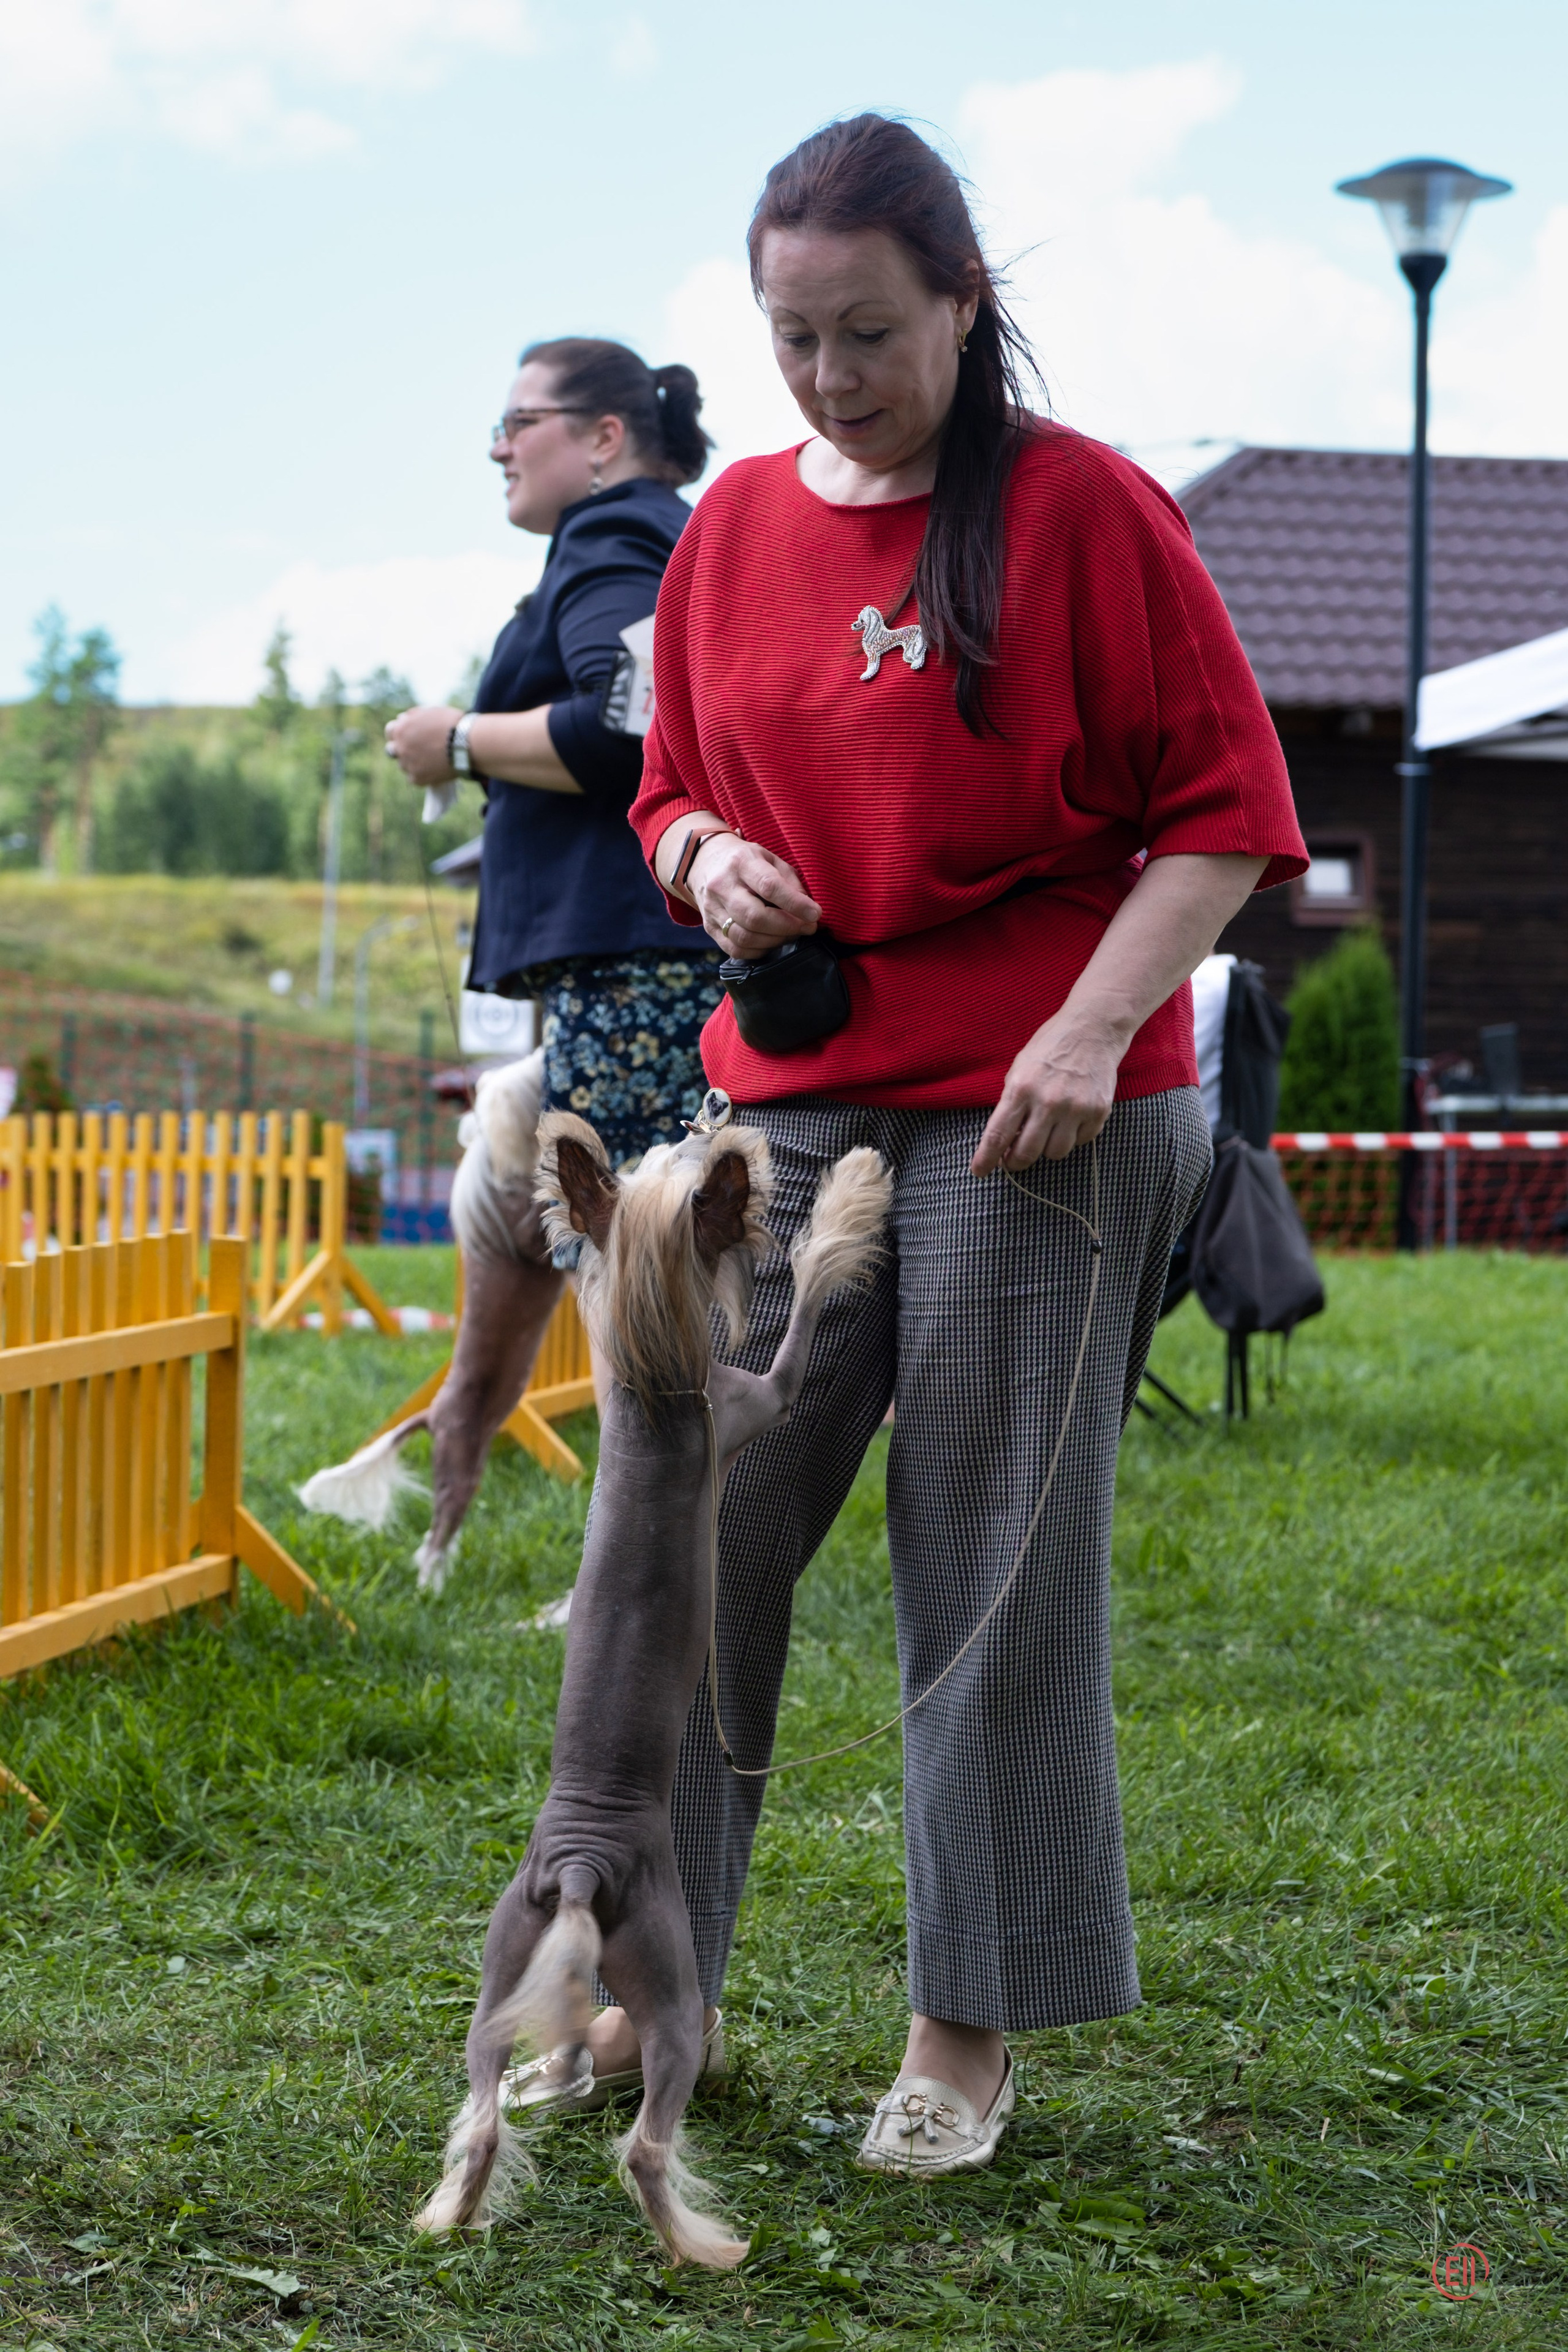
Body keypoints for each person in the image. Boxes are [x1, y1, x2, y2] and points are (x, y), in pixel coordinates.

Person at [546, 116, 1308, 2173]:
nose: (828, 376)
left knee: (980, 1557)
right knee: (706, 1527)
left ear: (964, 304)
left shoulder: (1088, 516)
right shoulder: (724, 541)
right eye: (793, 336)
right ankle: (641, 1977)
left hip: (1045, 1109)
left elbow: (1227, 814)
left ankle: (964, 2023)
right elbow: (668, 789)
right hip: (793, 1104)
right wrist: (706, 858)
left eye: (867, 332)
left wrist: (1089, 1025)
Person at [384, 337, 723, 1169]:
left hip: (635, 967)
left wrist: (459, 742)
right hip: (668, 954)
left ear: (603, 438)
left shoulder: (608, 534)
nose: (499, 446)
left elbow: (629, 722)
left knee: (630, 1251)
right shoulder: (662, 531)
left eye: (518, 422)